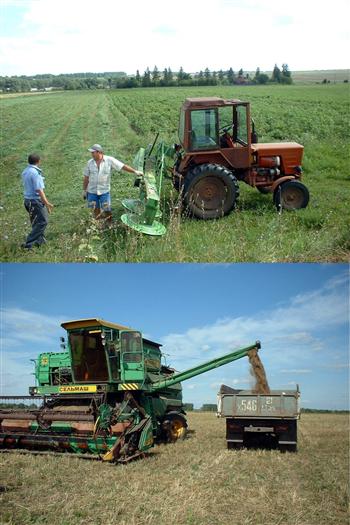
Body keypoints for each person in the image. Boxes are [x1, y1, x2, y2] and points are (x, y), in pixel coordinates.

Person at [83, 144, 143, 222]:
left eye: (93, 152)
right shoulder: (89, 163)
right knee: (94, 209)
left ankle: (109, 223)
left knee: (107, 209)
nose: (91, 154)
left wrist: (135, 171)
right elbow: (86, 177)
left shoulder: (109, 160)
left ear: (99, 152)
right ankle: (97, 224)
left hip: (104, 191)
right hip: (91, 192)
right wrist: (84, 190)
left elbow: (122, 166)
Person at [21, 153, 53, 249]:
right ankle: (29, 243)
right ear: (38, 161)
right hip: (35, 201)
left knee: (36, 222)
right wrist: (46, 203)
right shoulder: (35, 173)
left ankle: (40, 241)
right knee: (43, 221)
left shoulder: (25, 171)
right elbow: (39, 190)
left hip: (27, 200)